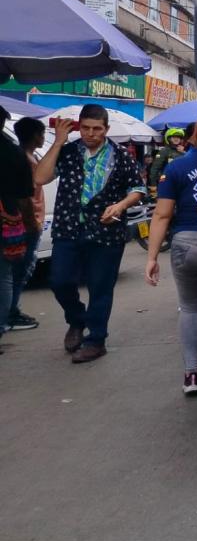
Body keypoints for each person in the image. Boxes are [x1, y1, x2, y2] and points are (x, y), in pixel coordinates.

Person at [35, 105, 147, 362]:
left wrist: (120, 205)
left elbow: (138, 188)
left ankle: (96, 339)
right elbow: (40, 178)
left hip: (106, 233)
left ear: (106, 130)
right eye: (85, 127)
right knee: (60, 281)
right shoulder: (68, 152)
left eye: (97, 129)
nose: (90, 133)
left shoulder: (120, 156)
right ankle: (76, 320)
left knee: (100, 287)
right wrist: (59, 142)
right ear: (79, 127)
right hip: (68, 228)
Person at [145, 115, 197, 406]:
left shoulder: (175, 168)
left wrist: (152, 257)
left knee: (191, 309)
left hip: (184, 245)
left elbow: (162, 215)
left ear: (193, 135)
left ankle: (192, 376)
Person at [0, 106, 38, 352]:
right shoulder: (13, 153)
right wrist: (31, 225)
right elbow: (26, 198)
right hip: (8, 221)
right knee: (4, 277)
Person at [9, 117, 47, 331]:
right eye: (41, 134)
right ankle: (11, 312)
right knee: (20, 270)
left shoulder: (27, 157)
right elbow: (26, 197)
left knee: (19, 270)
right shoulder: (26, 161)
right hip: (27, 223)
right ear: (35, 136)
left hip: (27, 222)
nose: (43, 138)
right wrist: (32, 222)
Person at [148, 127, 187, 198]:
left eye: (178, 137)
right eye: (174, 137)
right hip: (167, 183)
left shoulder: (184, 151)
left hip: (182, 183)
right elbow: (154, 169)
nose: (176, 139)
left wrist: (185, 153)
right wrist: (153, 186)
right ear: (168, 138)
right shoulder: (164, 151)